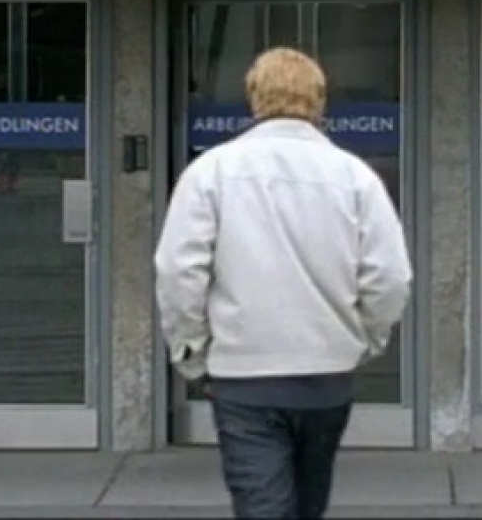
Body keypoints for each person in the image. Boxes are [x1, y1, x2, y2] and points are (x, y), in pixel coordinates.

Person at [155, 47, 412, 519]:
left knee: (263, 506)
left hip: (243, 373)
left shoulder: (211, 171)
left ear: (253, 97)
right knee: (309, 502)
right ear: (319, 100)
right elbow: (390, 276)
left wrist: (192, 350)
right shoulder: (355, 176)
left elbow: (178, 270)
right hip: (328, 372)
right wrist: (367, 338)